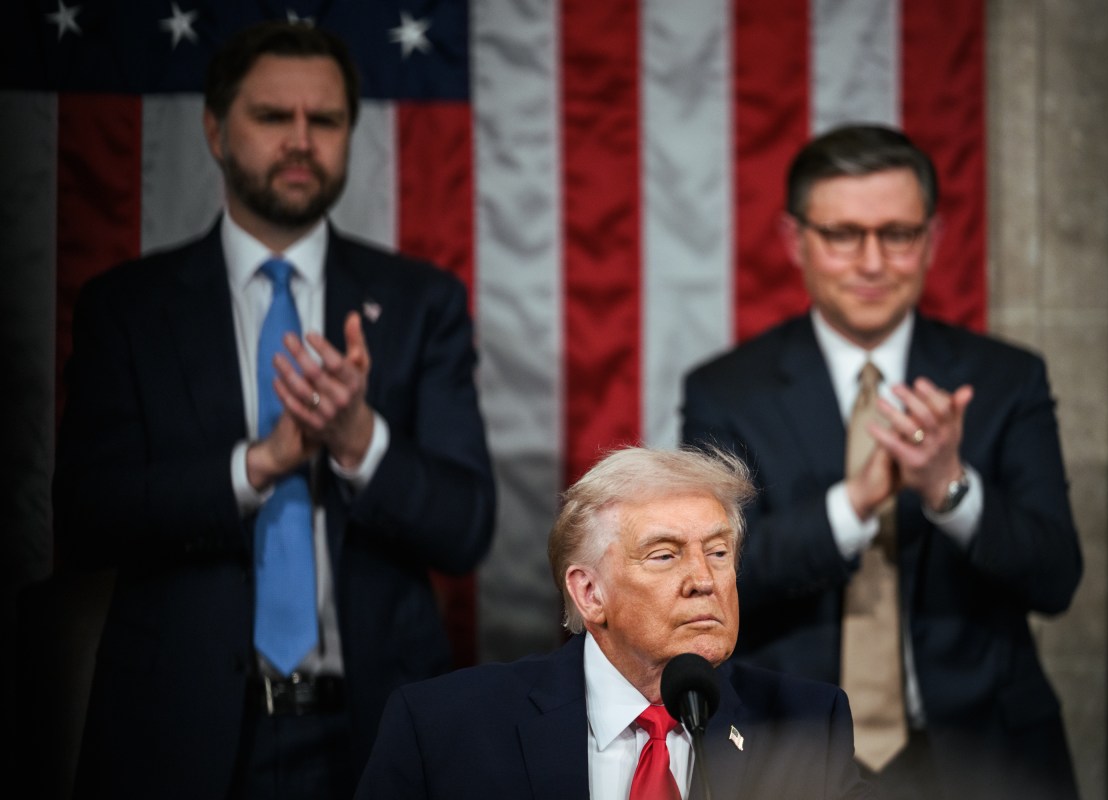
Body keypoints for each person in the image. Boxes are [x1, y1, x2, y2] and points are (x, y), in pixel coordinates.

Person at [52, 20, 495, 800]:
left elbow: (466, 527)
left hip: (374, 737)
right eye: (272, 117)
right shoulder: (128, 308)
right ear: (216, 129)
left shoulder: (421, 302)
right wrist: (257, 465)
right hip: (176, 738)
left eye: (323, 121)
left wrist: (359, 439)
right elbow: (85, 518)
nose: (300, 140)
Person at [681, 125, 1082, 800]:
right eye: (843, 235)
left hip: (983, 757)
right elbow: (714, 575)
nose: (872, 262)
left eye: (897, 234)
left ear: (932, 240)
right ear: (794, 241)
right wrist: (853, 505)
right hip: (790, 752)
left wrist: (950, 491)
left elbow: (1056, 578)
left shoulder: (1006, 379)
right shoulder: (726, 391)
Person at [355, 445, 874, 799]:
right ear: (588, 592)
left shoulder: (808, 725)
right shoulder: (444, 729)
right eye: (664, 555)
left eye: (718, 552)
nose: (704, 579)